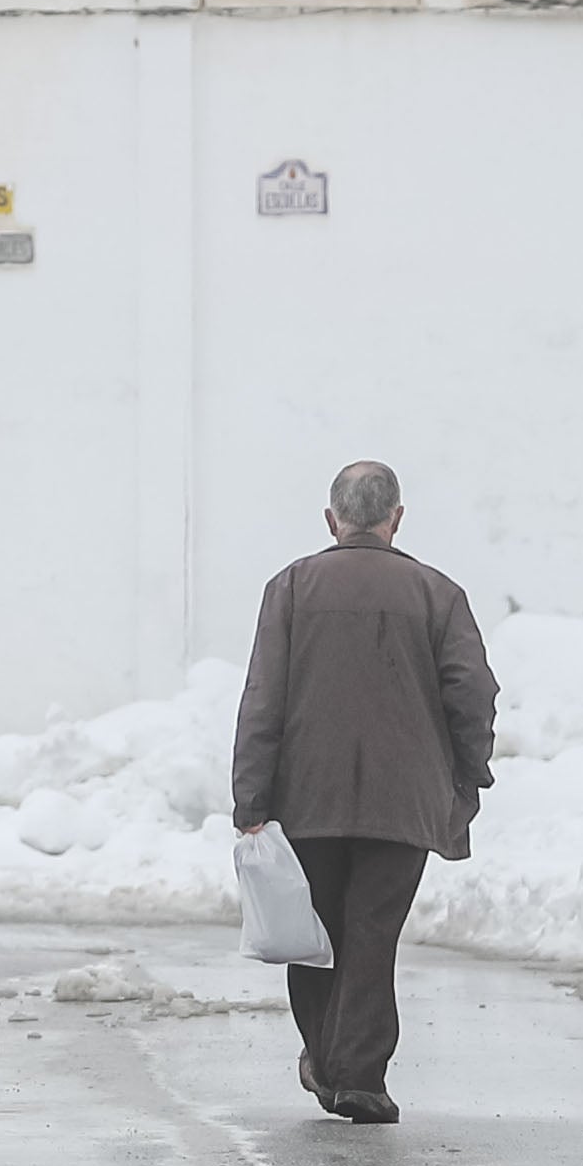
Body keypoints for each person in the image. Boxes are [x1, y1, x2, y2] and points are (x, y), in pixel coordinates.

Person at [228, 458, 496, 1125]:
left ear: (331, 519)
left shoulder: (290, 587)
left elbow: (262, 698)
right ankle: (360, 1076)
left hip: (306, 796)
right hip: (403, 800)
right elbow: (472, 692)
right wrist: (470, 771)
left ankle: (327, 1060)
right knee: (372, 932)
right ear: (395, 518)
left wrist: (250, 798)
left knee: (313, 931)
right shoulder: (439, 593)